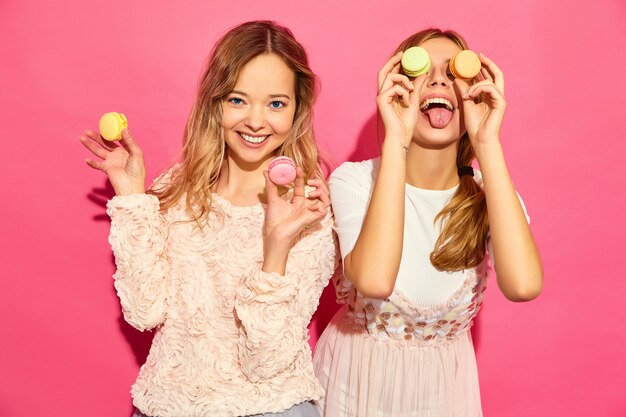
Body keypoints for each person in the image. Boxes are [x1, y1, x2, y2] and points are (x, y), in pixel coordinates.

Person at [79, 21, 337, 417]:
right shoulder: (177, 187)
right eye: (237, 100)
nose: (255, 120)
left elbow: (266, 362)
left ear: (297, 109)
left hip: (268, 409)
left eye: (275, 103)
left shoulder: (309, 210)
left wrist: (277, 245)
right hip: (165, 406)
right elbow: (144, 312)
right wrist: (132, 196)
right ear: (214, 103)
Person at [312, 28, 543, 417]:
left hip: (444, 394)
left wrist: (487, 142)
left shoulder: (491, 194)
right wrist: (396, 140)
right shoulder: (354, 181)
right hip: (354, 385)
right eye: (422, 69)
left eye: (454, 72)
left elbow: (522, 285)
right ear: (399, 87)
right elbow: (373, 281)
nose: (439, 79)